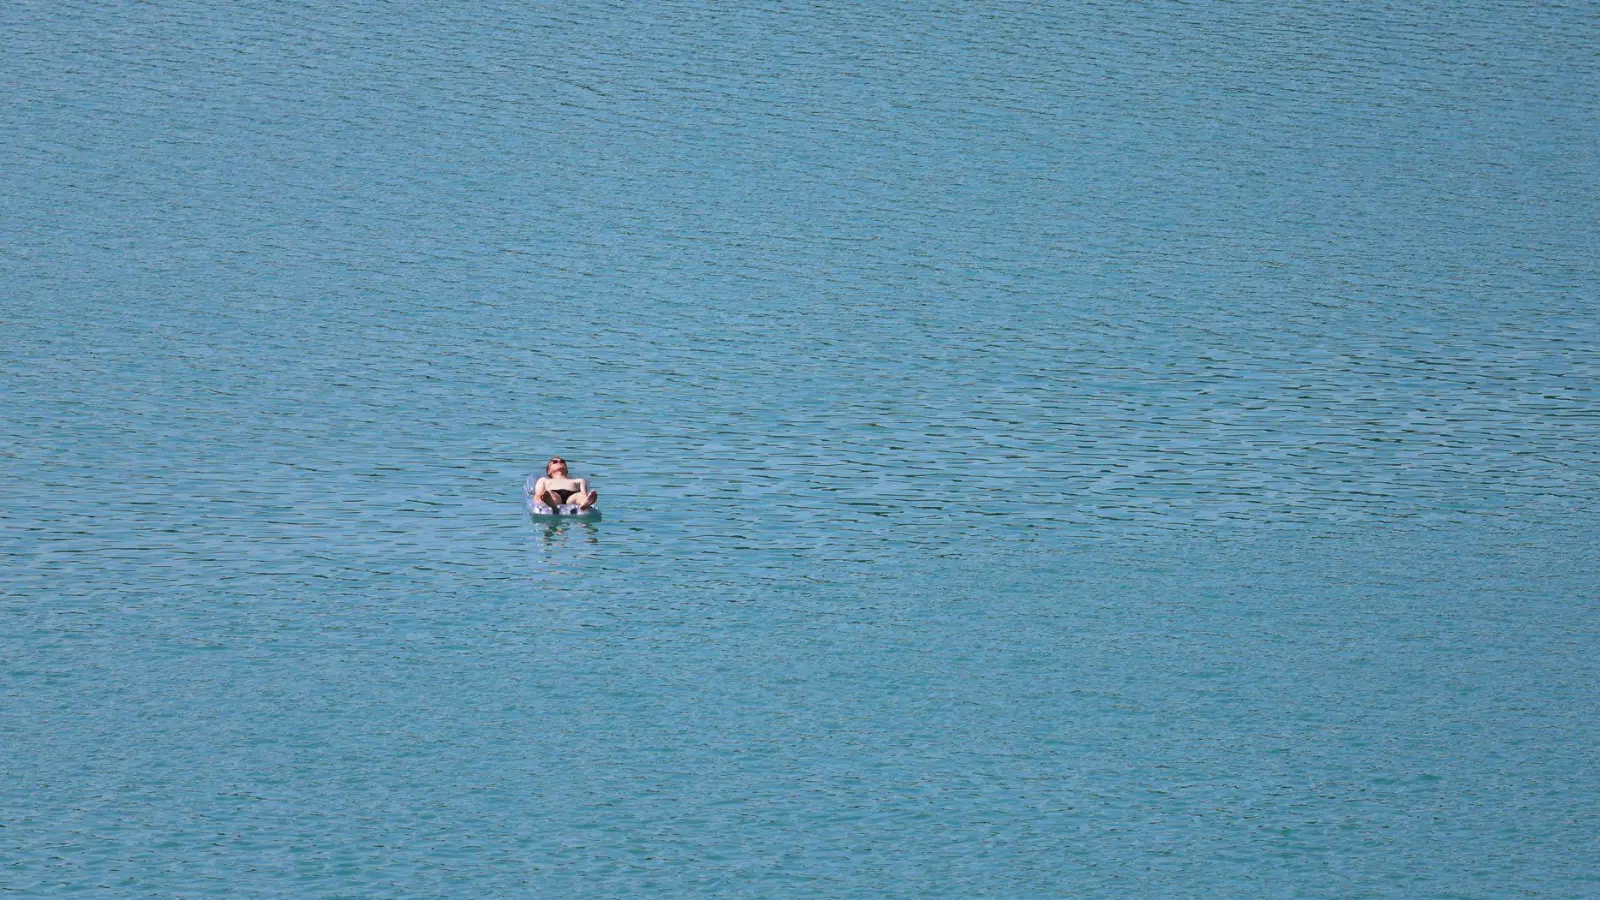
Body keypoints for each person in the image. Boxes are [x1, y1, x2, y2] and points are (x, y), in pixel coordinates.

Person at [527, 456, 598, 510]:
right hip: (553, 494)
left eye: (562, 461)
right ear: (549, 471)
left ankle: (584, 504)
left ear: (567, 470)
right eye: (555, 462)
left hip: (572, 496)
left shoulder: (579, 480)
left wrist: (585, 498)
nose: (559, 462)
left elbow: (584, 493)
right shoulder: (544, 480)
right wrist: (539, 504)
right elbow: (538, 494)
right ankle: (552, 505)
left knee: (580, 496)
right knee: (550, 495)